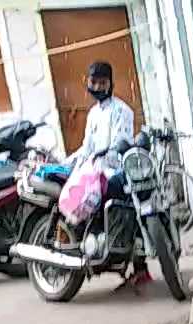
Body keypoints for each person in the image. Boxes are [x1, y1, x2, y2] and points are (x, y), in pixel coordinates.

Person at [68, 60, 150, 291]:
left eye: (101, 83)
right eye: (93, 82)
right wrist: (68, 162)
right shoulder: (93, 113)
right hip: (95, 172)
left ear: (110, 84)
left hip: (116, 172)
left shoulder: (122, 111)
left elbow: (118, 146)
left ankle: (136, 264)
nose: (96, 86)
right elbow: (87, 147)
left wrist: (101, 157)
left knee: (121, 207)